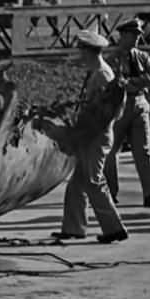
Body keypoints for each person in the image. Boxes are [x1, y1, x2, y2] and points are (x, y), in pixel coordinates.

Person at [43, 30, 128, 244]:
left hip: (96, 135)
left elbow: (109, 110)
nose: (80, 55)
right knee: (77, 184)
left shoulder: (103, 75)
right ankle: (74, 228)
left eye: (82, 50)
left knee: (93, 181)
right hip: (90, 134)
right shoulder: (96, 72)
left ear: (89, 51)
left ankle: (115, 229)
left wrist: (85, 129)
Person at [102, 18, 150, 208]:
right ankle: (110, 192)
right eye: (133, 35)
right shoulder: (112, 59)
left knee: (143, 151)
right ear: (124, 35)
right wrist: (133, 82)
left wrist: (131, 82)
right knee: (111, 152)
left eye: (138, 35)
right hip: (119, 106)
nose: (137, 38)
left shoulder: (142, 57)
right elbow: (114, 83)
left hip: (139, 103)